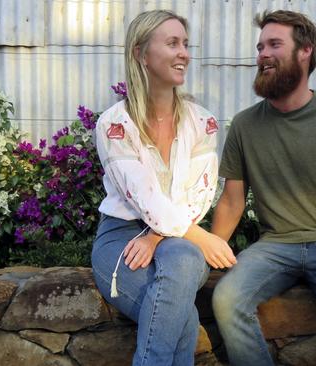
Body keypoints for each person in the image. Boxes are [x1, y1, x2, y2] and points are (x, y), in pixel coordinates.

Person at [211, 10, 316, 366]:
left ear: (305, 51)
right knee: (226, 299)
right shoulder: (245, 125)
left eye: (274, 44)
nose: (262, 54)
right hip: (275, 247)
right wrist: (210, 250)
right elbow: (231, 200)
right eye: (260, 47)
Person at [91, 10, 237, 366]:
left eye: (185, 44)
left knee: (183, 259)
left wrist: (157, 236)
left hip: (178, 239)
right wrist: (203, 238)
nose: (184, 53)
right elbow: (144, 196)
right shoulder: (114, 125)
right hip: (120, 237)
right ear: (141, 54)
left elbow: (199, 195)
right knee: (181, 315)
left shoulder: (203, 122)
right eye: (173, 43)